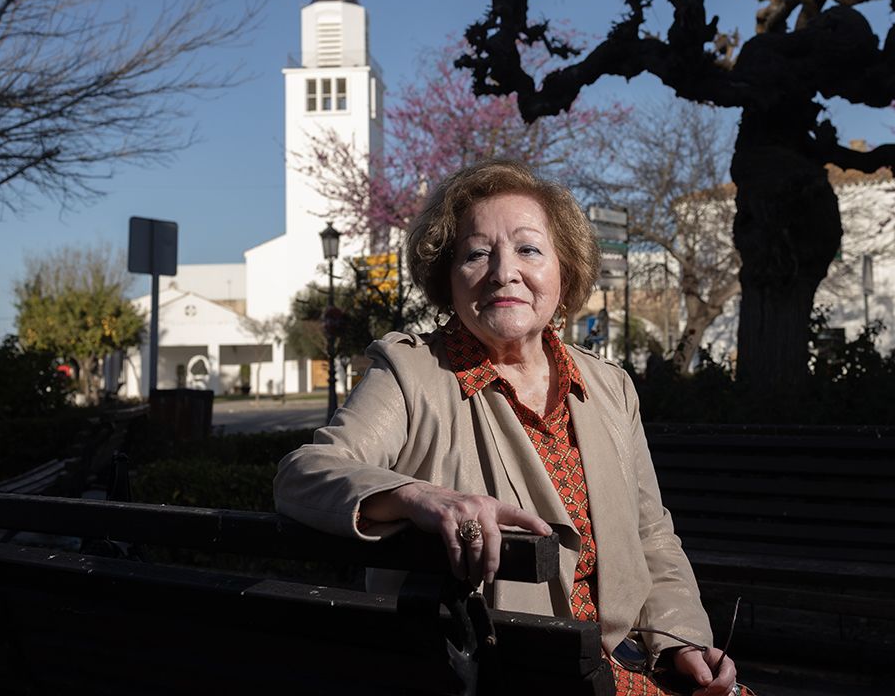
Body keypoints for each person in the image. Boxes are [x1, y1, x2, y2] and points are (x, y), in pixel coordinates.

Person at [275, 162, 742, 695]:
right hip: (497, 673)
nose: (503, 272)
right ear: (447, 278)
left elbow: (650, 534)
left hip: (622, 664)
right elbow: (305, 473)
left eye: (529, 249)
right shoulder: (411, 374)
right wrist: (416, 496)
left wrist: (679, 639)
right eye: (476, 253)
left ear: (563, 271)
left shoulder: (609, 386)